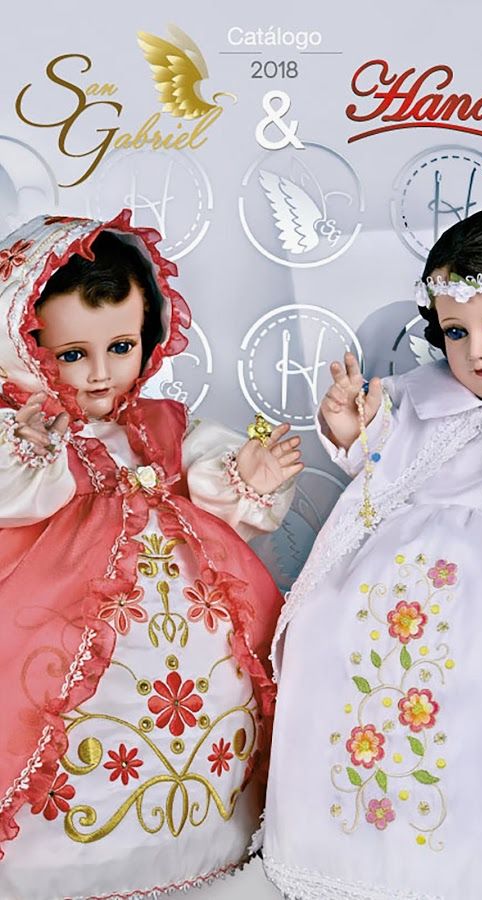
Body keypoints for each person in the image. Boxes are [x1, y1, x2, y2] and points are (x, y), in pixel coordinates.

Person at [262, 208, 482, 900]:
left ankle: (480, 861)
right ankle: (348, 854)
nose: (476, 352)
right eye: (456, 330)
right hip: (383, 584)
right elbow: (379, 466)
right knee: (334, 655)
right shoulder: (418, 396)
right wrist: (352, 430)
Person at [0, 211, 302, 899]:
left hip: (191, 623)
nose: (100, 373)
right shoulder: (27, 435)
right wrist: (30, 448)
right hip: (61, 623)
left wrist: (246, 478)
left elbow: (218, 492)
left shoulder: (162, 426)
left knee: (219, 695)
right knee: (62, 714)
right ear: (23, 344)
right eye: (71, 354)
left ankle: (202, 841)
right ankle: (64, 863)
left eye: (121, 346)